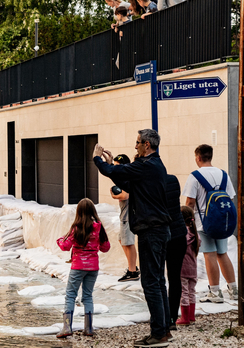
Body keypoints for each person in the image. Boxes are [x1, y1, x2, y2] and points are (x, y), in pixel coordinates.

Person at [92, 129, 172, 348]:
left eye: (137, 143)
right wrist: (111, 166)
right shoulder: (154, 166)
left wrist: (97, 159)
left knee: (150, 283)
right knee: (158, 281)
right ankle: (164, 330)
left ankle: (158, 334)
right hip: (160, 229)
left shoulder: (147, 165)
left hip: (152, 231)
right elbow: (128, 183)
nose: (134, 146)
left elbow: (117, 174)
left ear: (147, 144)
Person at [182, 144, 238, 303]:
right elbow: (230, 198)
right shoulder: (223, 175)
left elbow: (190, 202)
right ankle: (234, 290)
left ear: (198, 157)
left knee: (210, 254)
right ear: (210, 156)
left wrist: (187, 221)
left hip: (202, 222)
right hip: (222, 221)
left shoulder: (195, 176)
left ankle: (215, 292)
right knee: (222, 253)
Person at [56, 198, 111, 338]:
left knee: (70, 295)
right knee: (87, 296)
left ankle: (67, 327)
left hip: (78, 266)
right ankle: (89, 328)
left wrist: (59, 240)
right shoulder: (99, 228)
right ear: (93, 211)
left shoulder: (76, 228)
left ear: (78, 212)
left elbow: (65, 246)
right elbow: (106, 247)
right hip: (93, 267)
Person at [164, 174, 187, 331]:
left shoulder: (151, 183)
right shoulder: (173, 180)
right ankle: (172, 316)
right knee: (174, 277)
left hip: (161, 233)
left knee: (157, 278)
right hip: (178, 232)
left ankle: (161, 316)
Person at [111, 154, 139, 282]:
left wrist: (114, 195)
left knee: (129, 242)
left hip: (128, 216)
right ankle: (132, 267)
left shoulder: (127, 178)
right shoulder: (123, 177)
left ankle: (132, 271)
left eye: (118, 166)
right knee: (122, 240)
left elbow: (125, 195)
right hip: (124, 215)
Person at [176, 206, 200, 326]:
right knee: (191, 292)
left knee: (183, 292)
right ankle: (191, 316)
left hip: (182, 268)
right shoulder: (195, 234)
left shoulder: (182, 234)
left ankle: (184, 318)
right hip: (193, 269)